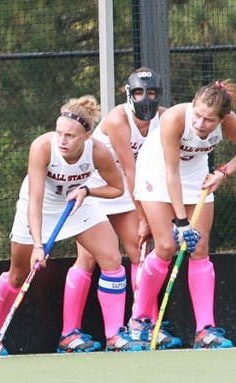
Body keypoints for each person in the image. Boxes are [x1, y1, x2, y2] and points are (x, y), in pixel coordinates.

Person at [0, 95, 147, 355]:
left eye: (70, 135)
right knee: (17, 273)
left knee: (112, 259)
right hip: (39, 206)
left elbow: (117, 188)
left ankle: (113, 335)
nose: (62, 140)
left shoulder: (99, 152)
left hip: (77, 202)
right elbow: (35, 199)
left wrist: (87, 191)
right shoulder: (42, 147)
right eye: (59, 133)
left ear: (87, 135)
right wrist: (38, 245)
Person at [131, 80, 236, 349]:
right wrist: (181, 222)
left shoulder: (229, 122)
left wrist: (222, 173)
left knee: (200, 249)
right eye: (198, 115)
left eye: (209, 120)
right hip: (158, 172)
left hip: (197, 177)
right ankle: (140, 321)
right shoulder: (175, 118)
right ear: (192, 106)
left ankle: (205, 329)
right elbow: (171, 172)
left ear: (222, 118)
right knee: (166, 246)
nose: (201, 124)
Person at [72, 68, 182, 349]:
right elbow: (132, 171)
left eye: (152, 92)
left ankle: (145, 323)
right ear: (128, 94)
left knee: (138, 252)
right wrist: (145, 217)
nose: (146, 98)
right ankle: (69, 333)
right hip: (97, 188)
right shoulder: (118, 119)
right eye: (138, 92)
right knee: (88, 260)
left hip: (127, 192)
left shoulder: (165, 118)